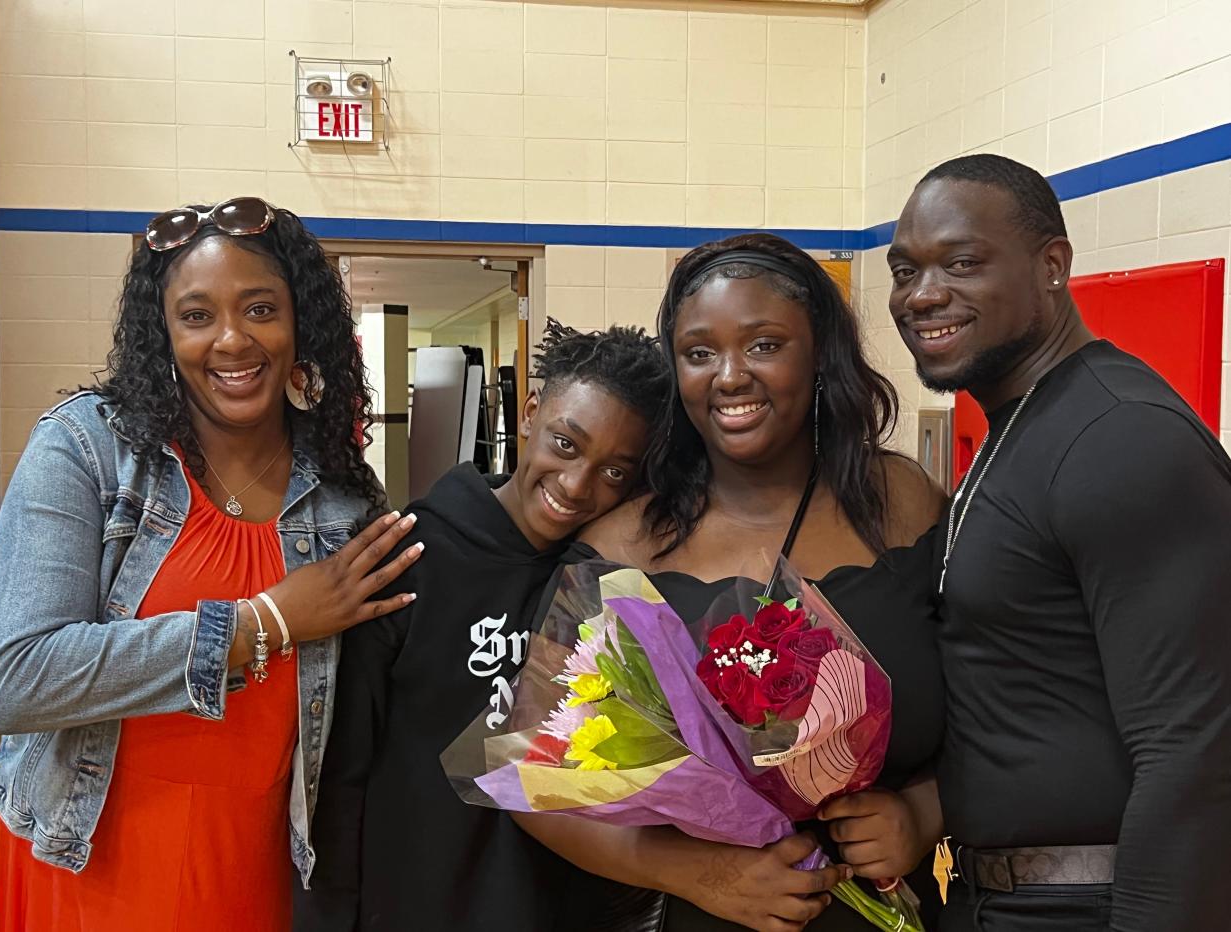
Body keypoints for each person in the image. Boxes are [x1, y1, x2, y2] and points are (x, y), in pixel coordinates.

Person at [0, 197, 422, 932]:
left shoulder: (345, 499)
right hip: (85, 858)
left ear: (300, 324)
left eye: (260, 309)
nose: (231, 340)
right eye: (197, 316)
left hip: (256, 871)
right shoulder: (88, 448)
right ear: (163, 332)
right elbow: (16, 678)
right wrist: (266, 621)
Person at [517, 233, 949, 932]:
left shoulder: (898, 504)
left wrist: (922, 811)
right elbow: (530, 777)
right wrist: (696, 871)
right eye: (698, 352)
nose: (728, 375)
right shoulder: (619, 548)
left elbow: (1003, 701)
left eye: (764, 345)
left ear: (819, 356)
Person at [885, 154, 1231, 931]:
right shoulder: (1027, 423)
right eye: (905, 270)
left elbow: (1195, 752)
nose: (923, 294)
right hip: (995, 898)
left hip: (1090, 903)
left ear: (1052, 266)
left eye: (962, 263)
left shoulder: (1121, 436)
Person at [295, 320, 678, 932]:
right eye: (566, 444)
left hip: (559, 907)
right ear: (530, 414)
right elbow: (338, 773)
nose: (576, 485)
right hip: (415, 904)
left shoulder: (609, 586)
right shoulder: (410, 558)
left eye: (614, 472)